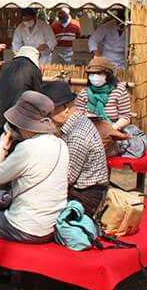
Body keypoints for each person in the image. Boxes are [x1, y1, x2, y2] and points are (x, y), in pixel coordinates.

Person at [0, 91, 69, 290]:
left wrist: (1, 149)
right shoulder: (61, 144)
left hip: (27, 228)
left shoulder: (27, 149)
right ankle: (0, 268)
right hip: (52, 224)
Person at [0, 46, 44, 195]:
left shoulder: (5, 66)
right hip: (14, 116)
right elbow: (37, 95)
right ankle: (8, 190)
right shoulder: (34, 71)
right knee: (13, 152)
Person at [42, 80, 108, 216]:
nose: (48, 116)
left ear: (65, 108)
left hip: (85, 196)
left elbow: (67, 178)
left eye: (50, 111)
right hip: (80, 190)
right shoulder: (77, 123)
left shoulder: (78, 135)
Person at [74, 56, 134, 155]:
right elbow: (78, 116)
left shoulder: (119, 91)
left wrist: (113, 128)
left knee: (101, 147)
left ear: (108, 75)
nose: (94, 77)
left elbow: (126, 117)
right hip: (89, 132)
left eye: (98, 73)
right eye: (91, 74)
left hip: (112, 132)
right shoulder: (84, 93)